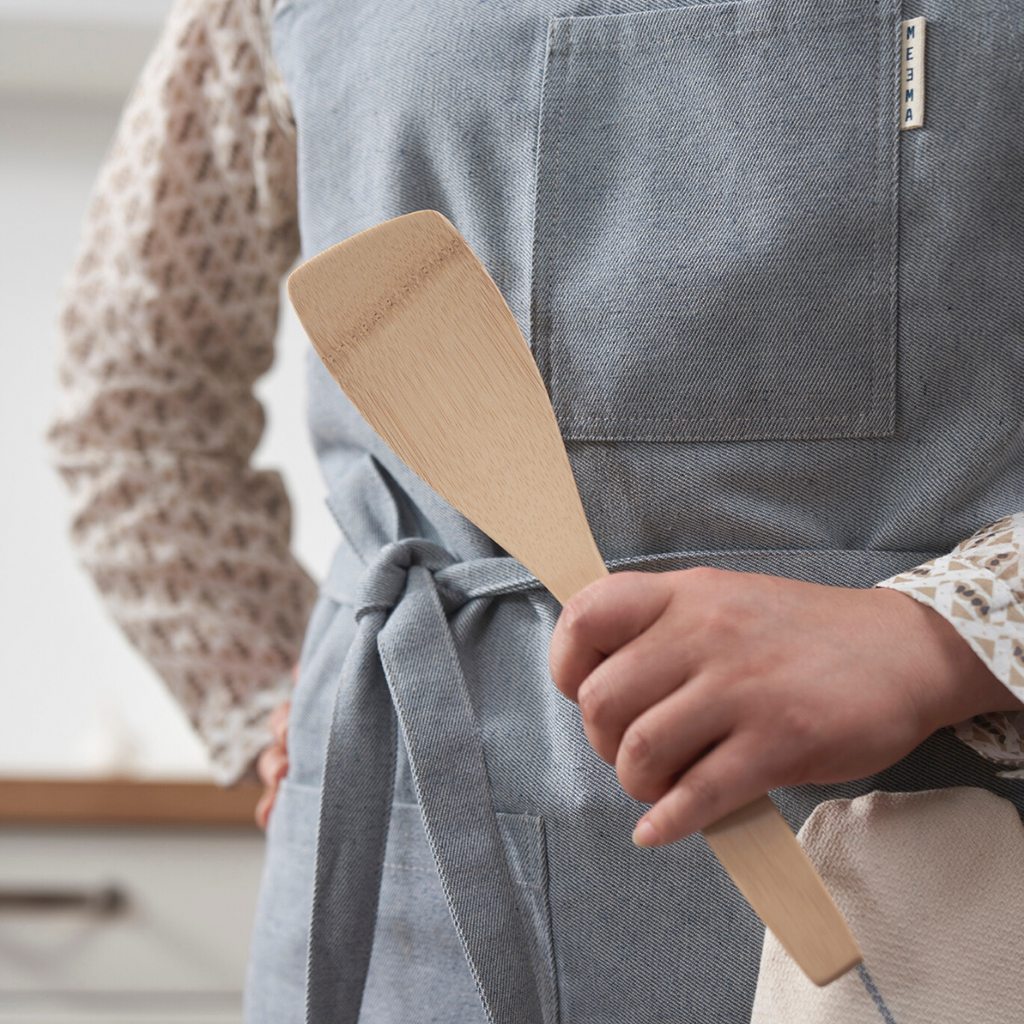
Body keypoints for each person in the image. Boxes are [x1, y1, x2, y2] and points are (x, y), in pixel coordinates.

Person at [49, 0, 1024, 1021]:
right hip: (410, 870)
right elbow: (130, 403)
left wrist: (942, 633)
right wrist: (273, 700)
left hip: (945, 875)